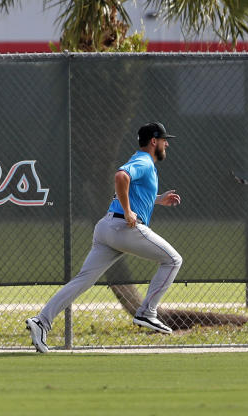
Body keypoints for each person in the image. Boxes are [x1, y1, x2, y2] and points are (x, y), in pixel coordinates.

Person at [25, 122, 183, 353]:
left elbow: (130, 189)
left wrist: (158, 199)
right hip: (123, 228)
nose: (166, 143)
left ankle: (41, 322)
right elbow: (121, 177)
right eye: (164, 140)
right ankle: (147, 313)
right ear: (153, 141)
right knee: (173, 260)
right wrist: (129, 212)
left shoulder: (141, 161)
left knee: (82, 280)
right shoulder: (144, 161)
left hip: (107, 228)